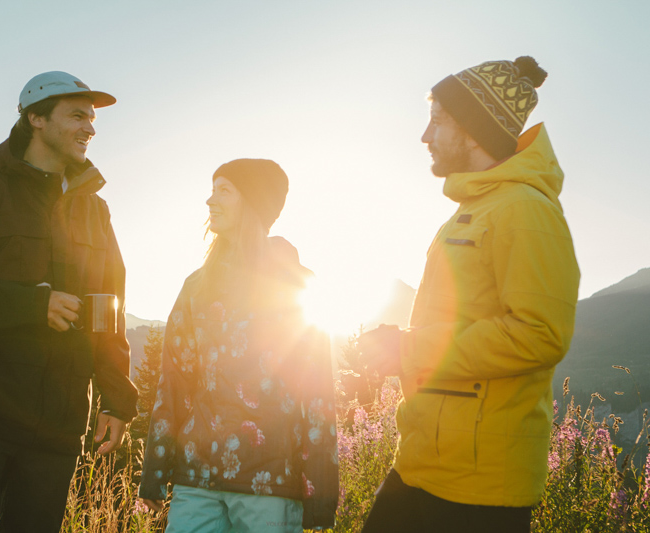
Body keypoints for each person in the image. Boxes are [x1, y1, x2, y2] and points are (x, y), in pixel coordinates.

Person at [359, 56, 580, 533]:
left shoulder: (525, 210)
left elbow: (540, 334)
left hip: (478, 490)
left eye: (437, 121)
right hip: (422, 467)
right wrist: (395, 345)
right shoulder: (474, 210)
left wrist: (410, 349)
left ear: (474, 131)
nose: (424, 136)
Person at [0, 71, 138, 532]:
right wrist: (31, 305)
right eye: (77, 115)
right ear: (35, 118)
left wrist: (116, 399)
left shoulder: (95, 212)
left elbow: (107, 306)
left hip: (57, 426)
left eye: (93, 119)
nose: (90, 129)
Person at [138, 159, 339, 532]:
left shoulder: (295, 284)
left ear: (253, 202)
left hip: (270, 484)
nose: (210, 200)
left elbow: (316, 394)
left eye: (224, 190)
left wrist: (321, 492)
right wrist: (156, 468)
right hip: (197, 481)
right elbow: (174, 381)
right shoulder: (197, 286)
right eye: (212, 189)